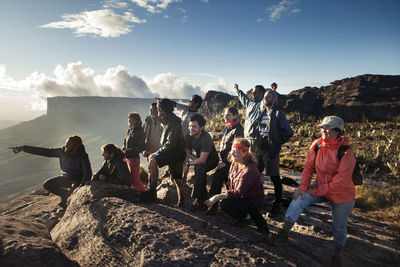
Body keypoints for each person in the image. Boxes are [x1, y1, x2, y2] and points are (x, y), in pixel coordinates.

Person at [271, 116, 356, 267]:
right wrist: (303, 187)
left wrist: (317, 190)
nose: (323, 130)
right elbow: (308, 168)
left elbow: (341, 180)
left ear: (337, 131)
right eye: (322, 127)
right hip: (320, 187)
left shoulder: (347, 153)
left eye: (327, 128)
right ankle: (283, 233)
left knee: (339, 226)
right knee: (297, 200)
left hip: (342, 194)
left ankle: (337, 253)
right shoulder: (317, 145)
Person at [205, 138, 270, 236]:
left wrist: (217, 196)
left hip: (253, 200)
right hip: (242, 197)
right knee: (225, 204)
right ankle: (244, 218)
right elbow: (231, 184)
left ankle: (264, 230)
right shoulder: (235, 163)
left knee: (247, 208)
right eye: (232, 150)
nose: (232, 153)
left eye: (236, 152)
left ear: (245, 153)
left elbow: (237, 193)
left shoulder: (249, 170)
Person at [9, 136, 92, 208]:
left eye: (69, 144)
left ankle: (69, 197)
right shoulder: (62, 152)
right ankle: (65, 195)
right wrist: (23, 148)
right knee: (47, 184)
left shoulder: (82, 156)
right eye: (66, 143)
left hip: (78, 179)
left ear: (75, 145)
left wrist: (80, 188)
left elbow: (87, 174)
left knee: (74, 190)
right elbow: (45, 151)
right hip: (66, 178)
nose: (66, 145)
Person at [140, 98, 186, 207]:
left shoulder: (172, 122)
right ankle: (181, 202)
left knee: (153, 160)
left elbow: (171, 143)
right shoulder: (168, 120)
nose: (157, 110)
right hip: (176, 152)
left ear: (163, 109)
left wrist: (157, 153)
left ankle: (152, 193)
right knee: (177, 179)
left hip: (174, 152)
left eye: (158, 108)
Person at [255, 89, 293, 215]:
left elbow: (289, 132)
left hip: (271, 150)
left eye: (269, 97)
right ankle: (255, 197)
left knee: (274, 177)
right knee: (255, 172)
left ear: (274, 99)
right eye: (265, 96)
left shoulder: (278, 114)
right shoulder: (263, 112)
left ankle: (277, 203)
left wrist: (276, 142)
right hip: (260, 148)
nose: (266, 98)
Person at [206, 107, 244, 215]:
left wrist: (225, 163)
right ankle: (213, 206)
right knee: (226, 185)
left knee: (226, 185)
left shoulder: (238, 130)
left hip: (231, 164)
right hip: (224, 162)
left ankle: (213, 206)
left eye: (228, 115)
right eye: (224, 115)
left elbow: (237, 150)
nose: (225, 117)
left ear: (235, 116)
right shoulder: (228, 128)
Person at [184, 114, 219, 210]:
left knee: (200, 168)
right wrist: (194, 160)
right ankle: (202, 199)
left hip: (212, 160)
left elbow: (203, 160)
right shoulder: (189, 136)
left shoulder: (205, 138)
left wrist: (189, 163)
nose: (191, 129)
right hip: (200, 157)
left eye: (194, 127)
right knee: (199, 167)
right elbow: (187, 152)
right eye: (190, 126)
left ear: (201, 128)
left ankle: (198, 199)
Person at [234, 84, 265, 153]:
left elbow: (268, 100)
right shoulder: (249, 103)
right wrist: (237, 90)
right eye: (252, 92)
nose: (253, 94)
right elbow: (243, 97)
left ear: (261, 93)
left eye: (255, 92)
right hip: (247, 136)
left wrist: (273, 91)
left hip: (255, 138)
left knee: (253, 158)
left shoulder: (262, 103)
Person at [122, 112, 147, 192]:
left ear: (136, 120)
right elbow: (125, 143)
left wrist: (128, 151)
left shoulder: (140, 132)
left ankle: (143, 193)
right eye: (129, 119)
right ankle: (135, 193)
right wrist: (123, 152)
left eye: (131, 120)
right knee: (128, 177)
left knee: (134, 179)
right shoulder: (129, 130)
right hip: (126, 157)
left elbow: (141, 147)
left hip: (134, 158)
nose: (129, 121)